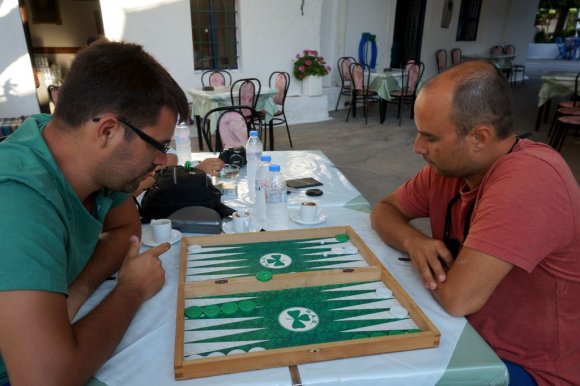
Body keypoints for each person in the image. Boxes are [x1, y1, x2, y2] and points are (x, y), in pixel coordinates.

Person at [370, 61, 580, 385]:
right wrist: (415, 242)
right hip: (469, 333)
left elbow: (458, 298)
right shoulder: (449, 168)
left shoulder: (530, 179)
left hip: (529, 367)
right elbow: (384, 210)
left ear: (479, 137)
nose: (417, 147)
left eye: (429, 137)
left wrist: (423, 261)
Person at [0, 41, 189, 385]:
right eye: (159, 145)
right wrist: (130, 291)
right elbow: (46, 380)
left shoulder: (81, 156)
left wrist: (79, 287)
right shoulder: (16, 200)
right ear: (108, 130)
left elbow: (126, 230)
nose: (162, 160)